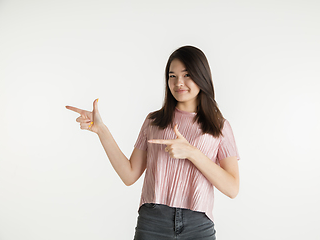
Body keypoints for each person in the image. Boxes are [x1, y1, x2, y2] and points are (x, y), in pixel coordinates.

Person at [65, 45, 241, 240]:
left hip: (198, 225)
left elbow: (232, 188)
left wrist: (192, 153)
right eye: (172, 76)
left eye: (187, 74)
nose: (178, 82)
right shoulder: (154, 121)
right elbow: (129, 175)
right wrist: (101, 130)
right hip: (152, 222)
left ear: (202, 76)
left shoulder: (219, 126)